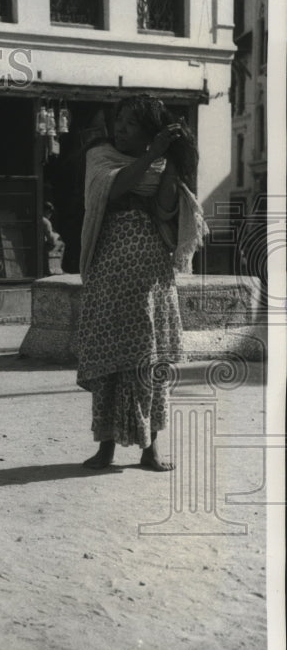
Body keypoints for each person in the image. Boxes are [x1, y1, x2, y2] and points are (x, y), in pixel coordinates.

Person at [75, 95, 207, 471]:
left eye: (131, 124)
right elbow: (114, 190)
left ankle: (151, 449)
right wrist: (151, 157)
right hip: (109, 276)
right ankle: (106, 448)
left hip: (151, 277)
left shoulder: (162, 164)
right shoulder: (100, 157)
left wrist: (168, 164)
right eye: (119, 121)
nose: (120, 129)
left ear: (149, 132)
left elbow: (166, 206)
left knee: (151, 362)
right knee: (110, 361)